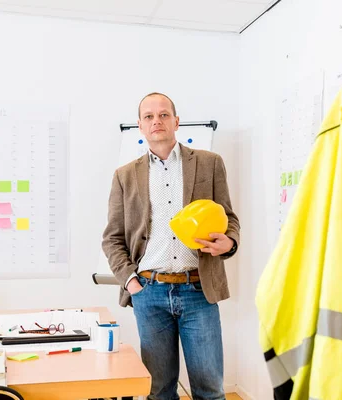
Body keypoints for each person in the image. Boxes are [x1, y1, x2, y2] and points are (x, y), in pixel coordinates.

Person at [102, 92, 240, 400]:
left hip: (198, 291)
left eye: (163, 115)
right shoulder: (124, 176)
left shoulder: (209, 163)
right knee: (159, 391)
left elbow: (229, 219)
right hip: (148, 293)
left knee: (211, 390)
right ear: (140, 126)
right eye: (149, 116)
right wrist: (131, 281)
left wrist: (228, 242)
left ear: (176, 121)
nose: (157, 121)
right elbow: (112, 237)